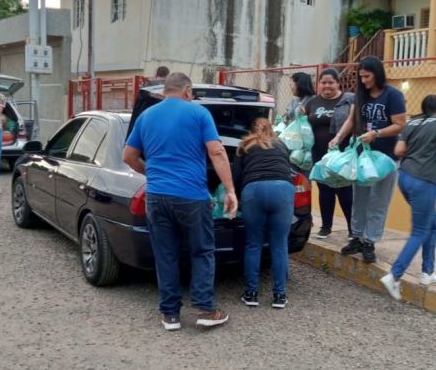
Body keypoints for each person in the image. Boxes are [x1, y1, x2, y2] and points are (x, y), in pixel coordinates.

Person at [123, 72, 237, 332]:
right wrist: (230, 189)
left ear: (165, 91)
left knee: (166, 254)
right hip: (192, 197)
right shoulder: (198, 114)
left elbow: (128, 156)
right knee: (202, 251)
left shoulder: (146, 116)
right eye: (192, 93)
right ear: (187, 91)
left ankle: (170, 315)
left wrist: (151, 172)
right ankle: (205, 309)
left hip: (156, 197)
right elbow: (217, 151)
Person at [329, 55, 406, 263]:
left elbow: (399, 124)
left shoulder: (393, 95)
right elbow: (352, 119)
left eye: (367, 76)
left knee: (378, 201)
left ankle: (370, 242)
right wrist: (338, 137)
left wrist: (377, 134)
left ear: (377, 74)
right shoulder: (359, 96)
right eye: (361, 77)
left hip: (385, 157)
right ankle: (357, 237)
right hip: (362, 157)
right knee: (360, 199)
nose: (364, 81)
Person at [380, 95, 436, 300]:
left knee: (434, 222)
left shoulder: (411, 121)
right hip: (425, 180)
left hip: (405, 177)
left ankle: (427, 272)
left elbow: (399, 149)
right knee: (420, 229)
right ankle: (395, 275)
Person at [233, 117, 295, 309]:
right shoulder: (282, 145)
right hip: (282, 190)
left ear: (251, 130)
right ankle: (279, 296)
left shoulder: (244, 145)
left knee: (253, 244)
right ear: (272, 129)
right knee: (279, 245)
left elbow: (236, 177)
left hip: (253, 190)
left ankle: (251, 294)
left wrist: (235, 198)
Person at [304, 67, 355, 240]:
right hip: (319, 154)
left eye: (331, 82)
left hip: (341, 155)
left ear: (337, 83)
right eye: (323, 82)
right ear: (319, 84)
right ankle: (326, 227)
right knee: (325, 190)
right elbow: (303, 124)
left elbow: (354, 122)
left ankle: (352, 228)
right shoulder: (312, 102)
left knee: (345, 192)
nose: (327, 86)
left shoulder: (348, 100)